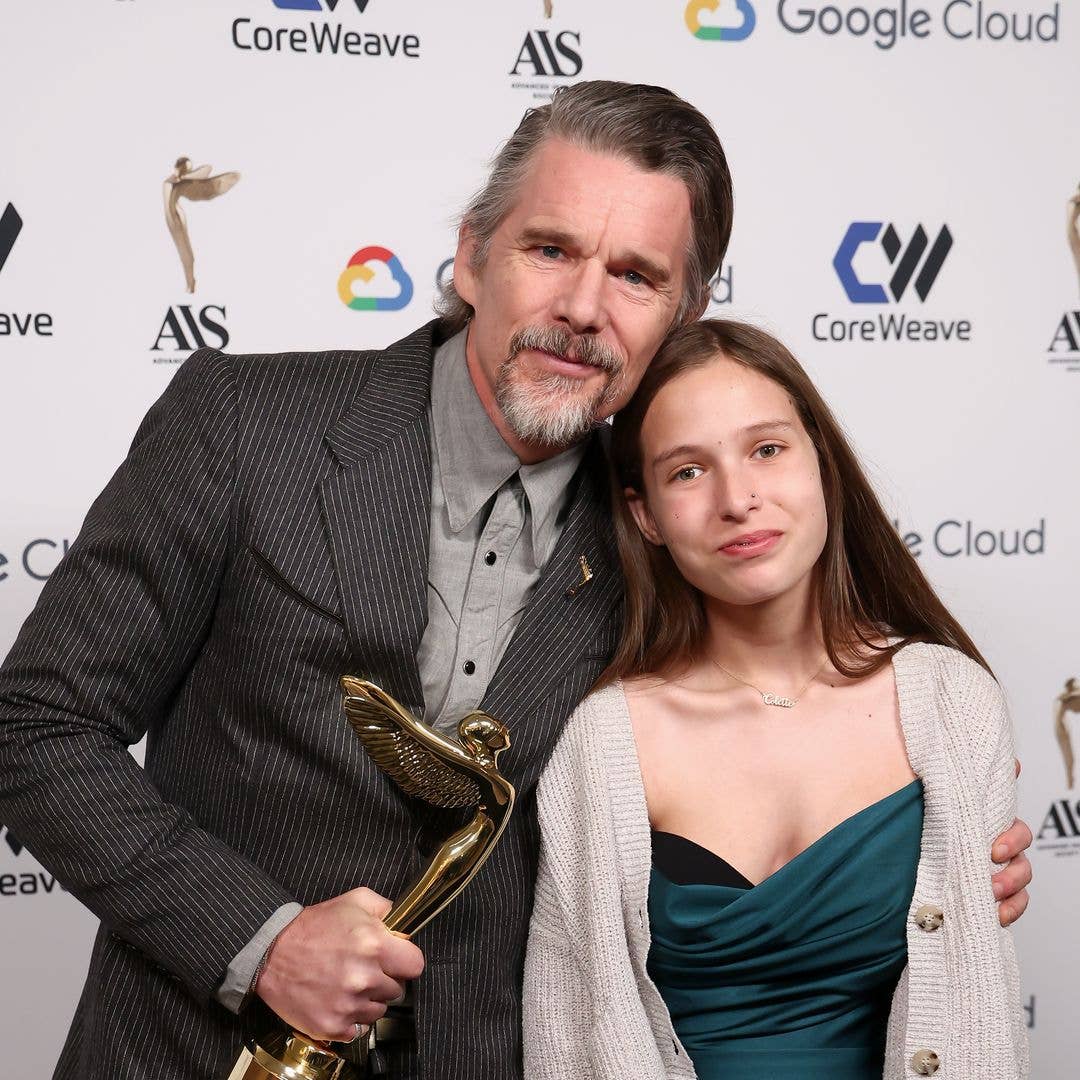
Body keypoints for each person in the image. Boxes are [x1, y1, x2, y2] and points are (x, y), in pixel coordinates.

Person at [0, 84, 1030, 1080]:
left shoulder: (670, 534)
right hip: (191, 1053)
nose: (583, 308)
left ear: (684, 312)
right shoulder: (245, 424)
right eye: (550, 250)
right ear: (469, 257)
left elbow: (782, 730)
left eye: (636, 276)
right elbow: (37, 724)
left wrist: (924, 857)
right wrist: (259, 941)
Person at [524, 319, 1029, 1079]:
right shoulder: (604, 739)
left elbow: (973, 1010)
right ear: (645, 516)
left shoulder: (953, 703)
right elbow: (571, 1035)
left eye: (766, 449)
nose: (738, 499)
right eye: (688, 471)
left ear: (820, 463)